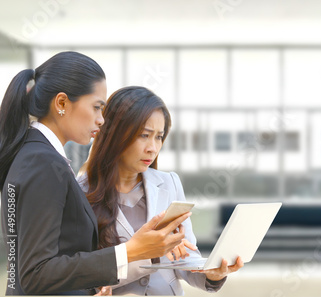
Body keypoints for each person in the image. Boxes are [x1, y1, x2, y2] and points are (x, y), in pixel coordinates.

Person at [0, 52, 191, 295]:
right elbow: (35, 274)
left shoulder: (36, 155)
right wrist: (131, 250)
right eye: (97, 108)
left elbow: (39, 265)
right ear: (61, 104)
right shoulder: (43, 162)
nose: (102, 120)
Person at [78, 86, 244, 295]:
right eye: (144, 135)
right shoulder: (81, 192)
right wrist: (152, 253)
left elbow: (185, 258)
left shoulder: (169, 183)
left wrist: (211, 274)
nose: (152, 148)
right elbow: (83, 276)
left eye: (159, 137)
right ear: (115, 134)